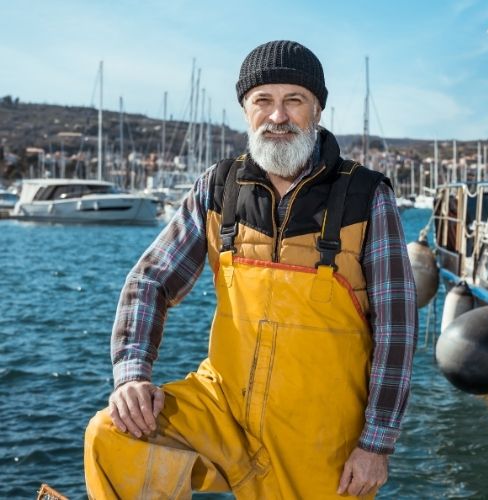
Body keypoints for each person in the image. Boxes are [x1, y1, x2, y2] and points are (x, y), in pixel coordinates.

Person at [84, 40, 417, 499]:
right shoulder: (217, 187)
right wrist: (132, 374)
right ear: (246, 110)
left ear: (317, 109)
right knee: (113, 433)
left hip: (320, 442)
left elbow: (396, 329)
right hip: (222, 412)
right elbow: (150, 280)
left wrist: (375, 444)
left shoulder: (366, 196)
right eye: (263, 100)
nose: (277, 116)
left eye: (293, 100)